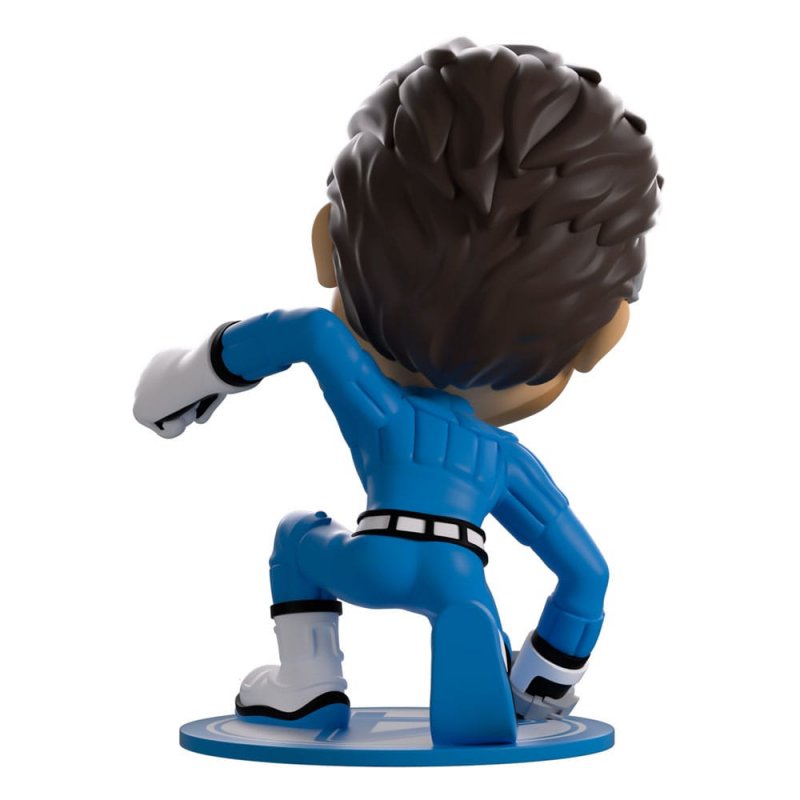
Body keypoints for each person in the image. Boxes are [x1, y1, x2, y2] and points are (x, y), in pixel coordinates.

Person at [134, 38, 661, 747]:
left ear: (327, 246)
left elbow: (308, 332)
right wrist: (551, 676)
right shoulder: (503, 461)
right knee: (476, 619)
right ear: (603, 335)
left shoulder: (379, 413)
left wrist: (192, 379)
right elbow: (586, 575)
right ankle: (507, 682)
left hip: (371, 557)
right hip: (459, 572)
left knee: (296, 536)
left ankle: (307, 685)